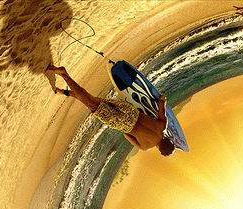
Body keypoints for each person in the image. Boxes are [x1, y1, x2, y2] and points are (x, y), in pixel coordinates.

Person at [45, 65, 175, 156]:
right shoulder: (145, 146)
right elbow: (126, 135)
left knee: (94, 101)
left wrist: (162, 99)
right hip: (122, 124)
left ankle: (63, 92)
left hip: (130, 111)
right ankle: (64, 74)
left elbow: (161, 107)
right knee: (90, 103)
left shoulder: (162, 125)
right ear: (160, 150)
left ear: (168, 141)